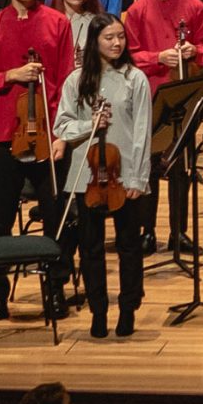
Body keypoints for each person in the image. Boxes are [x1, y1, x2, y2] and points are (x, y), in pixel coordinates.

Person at [0, 0, 77, 319]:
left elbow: (67, 81)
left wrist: (62, 133)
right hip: (4, 133)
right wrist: (10, 76)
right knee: (1, 215)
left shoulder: (57, 22)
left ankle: (55, 289)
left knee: (55, 214)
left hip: (48, 133)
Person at [53, 17, 153, 340]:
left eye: (121, 37)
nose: (116, 43)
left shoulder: (135, 78)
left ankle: (127, 309)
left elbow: (142, 133)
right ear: (95, 41)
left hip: (122, 175)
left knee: (128, 245)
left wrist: (138, 177)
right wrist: (89, 125)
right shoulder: (76, 81)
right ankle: (98, 311)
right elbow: (61, 127)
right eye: (109, 37)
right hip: (86, 176)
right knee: (90, 247)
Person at [125, 0, 203, 259]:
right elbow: (130, 56)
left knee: (181, 168)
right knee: (150, 167)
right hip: (151, 97)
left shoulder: (194, 6)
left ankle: (179, 231)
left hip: (185, 96)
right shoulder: (138, 10)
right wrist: (157, 58)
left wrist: (196, 50)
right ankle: (147, 231)